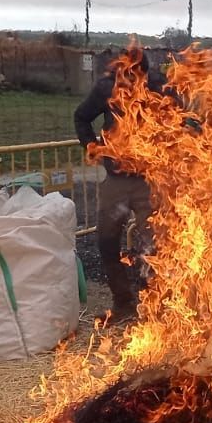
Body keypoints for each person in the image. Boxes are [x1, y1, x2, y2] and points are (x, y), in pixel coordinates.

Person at [75, 49, 167, 324]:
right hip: (116, 178)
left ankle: (157, 307)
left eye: (136, 75)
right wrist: (93, 147)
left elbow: (181, 121)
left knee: (154, 246)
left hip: (149, 181)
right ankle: (123, 303)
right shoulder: (106, 88)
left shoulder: (158, 88)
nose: (130, 80)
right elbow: (81, 117)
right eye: (125, 74)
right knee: (106, 240)